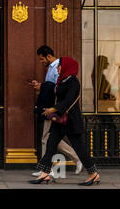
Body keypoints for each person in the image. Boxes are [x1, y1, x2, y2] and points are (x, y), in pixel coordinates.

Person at [29, 57, 100, 185]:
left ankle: (93, 173)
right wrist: (41, 87)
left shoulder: (73, 81)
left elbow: (69, 100)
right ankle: (45, 173)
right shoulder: (61, 80)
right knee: (51, 144)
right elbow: (54, 92)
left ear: (67, 66)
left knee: (79, 148)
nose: (57, 68)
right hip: (60, 120)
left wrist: (53, 109)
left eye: (60, 66)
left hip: (70, 120)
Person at [30, 46, 82, 177]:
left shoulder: (57, 67)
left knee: (46, 138)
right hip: (51, 107)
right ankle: (76, 158)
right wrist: (41, 85)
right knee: (51, 138)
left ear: (48, 56)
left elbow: (57, 88)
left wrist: (42, 86)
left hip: (53, 108)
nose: (41, 62)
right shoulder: (52, 68)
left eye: (42, 59)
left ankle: (46, 169)